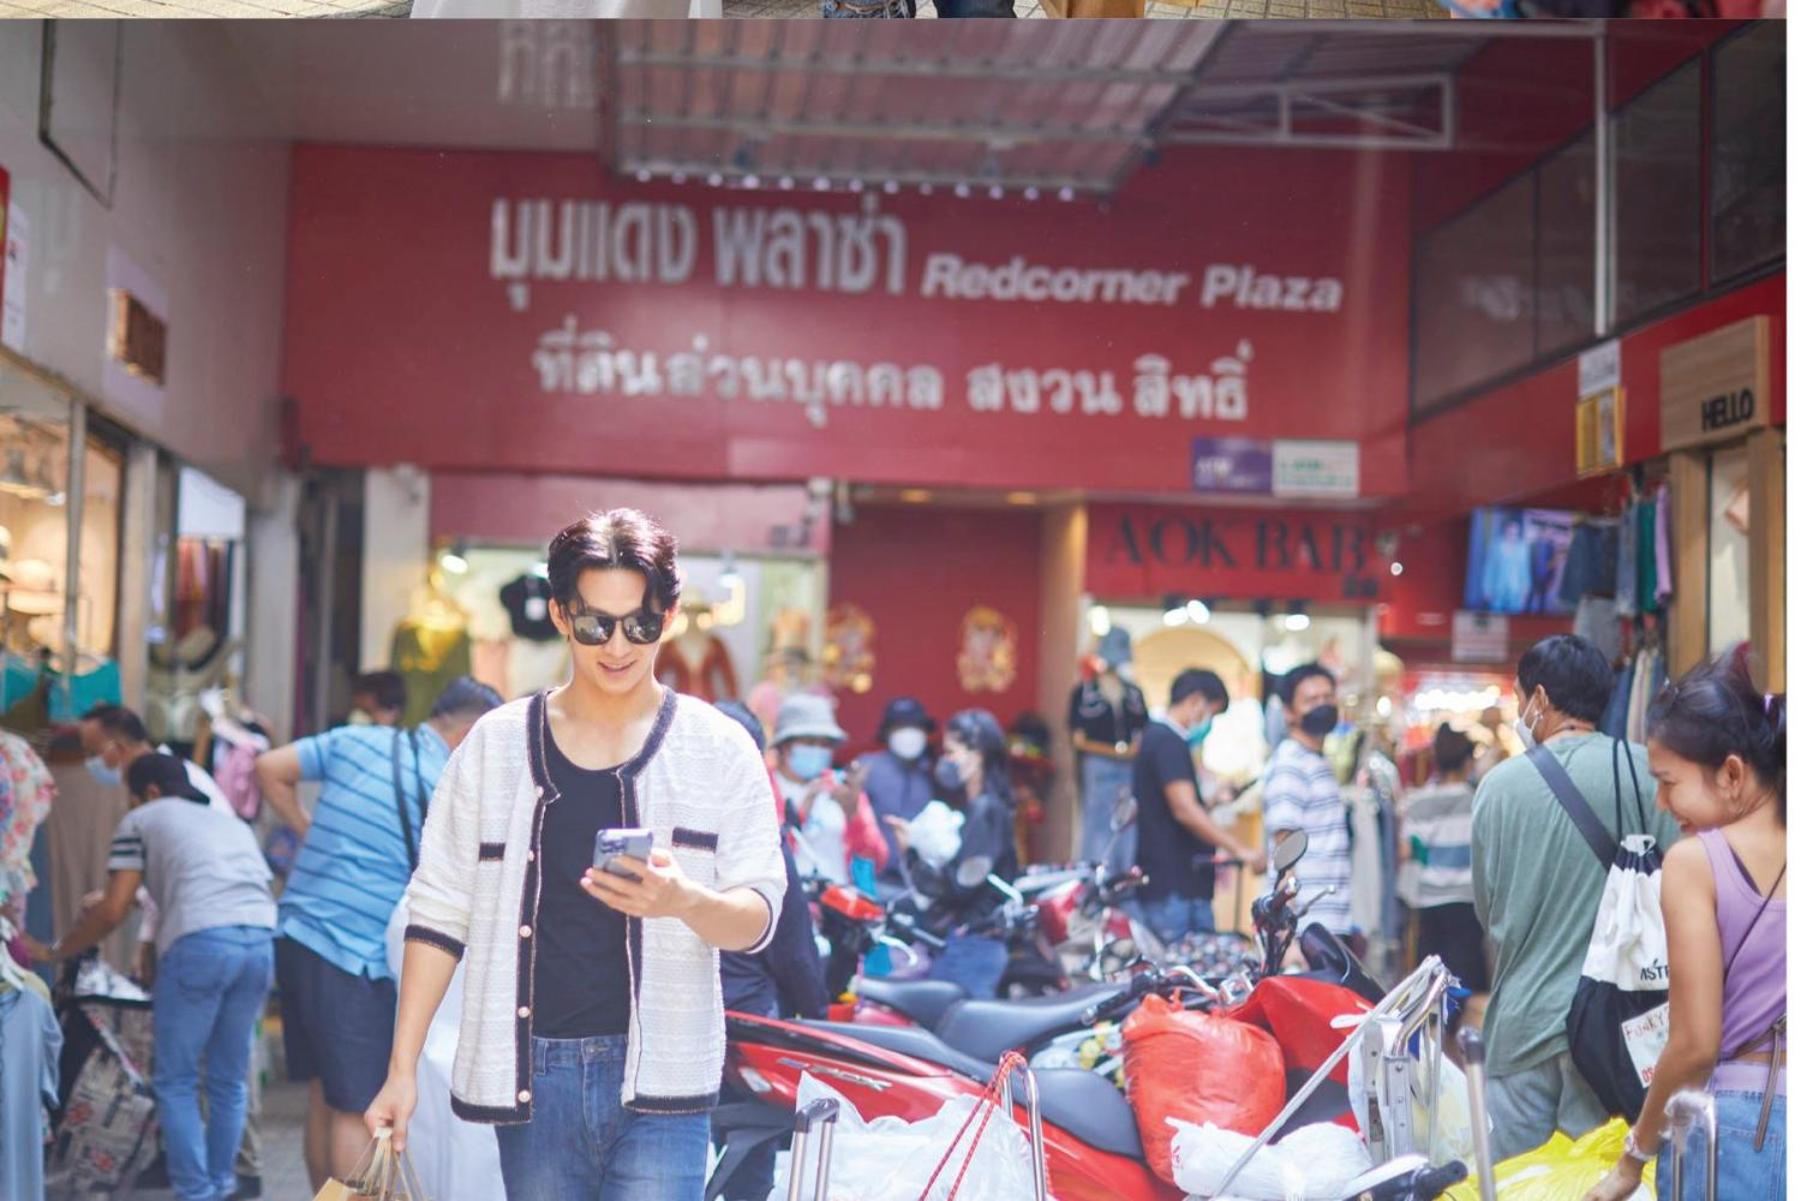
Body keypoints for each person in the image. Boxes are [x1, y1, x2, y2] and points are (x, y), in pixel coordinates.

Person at [364, 509, 786, 1201]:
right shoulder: (494, 747)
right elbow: (437, 908)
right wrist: (401, 1068)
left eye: (639, 624)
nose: (618, 646)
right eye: (595, 624)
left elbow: (759, 915)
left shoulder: (719, 750)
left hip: (665, 1078)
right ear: (560, 614)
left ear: (668, 616)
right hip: (534, 1078)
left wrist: (684, 901)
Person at [255, 676, 503, 1191]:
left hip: (297, 934)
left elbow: (269, 767)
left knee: (324, 1094)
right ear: (470, 733)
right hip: (353, 952)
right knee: (359, 1104)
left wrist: (306, 829)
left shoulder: (356, 738)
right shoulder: (446, 781)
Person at [26, 754, 275, 1201]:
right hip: (259, 943)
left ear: (151, 792)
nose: (129, 804)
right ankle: (222, 1184)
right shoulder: (229, 823)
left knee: (176, 1079)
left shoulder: (143, 818)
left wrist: (55, 950)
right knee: (227, 1079)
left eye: (131, 795)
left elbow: (113, 909)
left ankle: (195, 1192)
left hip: (200, 943)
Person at [1585, 654, 1786, 1201]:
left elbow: (1695, 1044)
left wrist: (1633, 1160)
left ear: (1732, 774)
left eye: (1667, 781)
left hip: (1741, 1133)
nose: (1661, 801)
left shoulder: (1696, 861)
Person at [1472, 635, 1679, 1161]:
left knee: (1516, 1186)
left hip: (1522, 1024)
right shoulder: (1647, 774)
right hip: (1620, 1031)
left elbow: (1488, 912)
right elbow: (1679, 892)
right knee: (1604, 1181)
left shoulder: (1498, 788)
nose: (1520, 711)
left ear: (1540, 698)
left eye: (1520, 698)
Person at [711, 699, 828, 1201]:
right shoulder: (760, 838)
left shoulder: (662, 831)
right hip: (745, 1028)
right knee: (748, 1165)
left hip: (672, 1025)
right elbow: (794, 951)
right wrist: (816, 1019)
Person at [887, 709, 1019, 999]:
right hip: (967, 943)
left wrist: (911, 852)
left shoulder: (986, 811)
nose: (944, 761)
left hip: (972, 947)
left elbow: (958, 886)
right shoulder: (976, 808)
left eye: (951, 752)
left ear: (978, 755)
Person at [1131, 669, 1266, 947]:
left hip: (1176, 886)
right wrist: (1241, 849)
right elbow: (1184, 810)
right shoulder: (1167, 742)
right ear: (1195, 701)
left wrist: (1213, 801)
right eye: (1211, 715)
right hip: (1173, 888)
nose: (1209, 725)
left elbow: (1176, 806)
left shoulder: (1159, 738)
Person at [1262, 663, 1355, 940]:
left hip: (1327, 919)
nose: (1322, 705)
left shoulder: (1316, 761)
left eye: (1328, 697)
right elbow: (1285, 851)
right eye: (1311, 700)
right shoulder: (1291, 763)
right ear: (1289, 712)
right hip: (1305, 926)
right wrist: (1286, 930)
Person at [1397, 724, 1489, 1005]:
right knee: (1466, 984)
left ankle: (1438, 1032)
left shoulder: (1419, 801)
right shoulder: (1478, 800)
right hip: (1466, 901)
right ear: (1467, 761)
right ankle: (1461, 1032)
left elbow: (1405, 850)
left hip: (1429, 901)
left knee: (1431, 987)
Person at [770, 693, 888, 886]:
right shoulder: (764, 788)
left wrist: (853, 815)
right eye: (809, 742)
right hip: (786, 899)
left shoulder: (842, 787)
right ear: (784, 747)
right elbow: (765, 858)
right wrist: (800, 815)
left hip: (838, 899)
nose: (818, 750)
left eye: (825, 744)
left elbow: (876, 859)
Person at [1069, 628, 1148, 876]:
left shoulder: (1133, 693)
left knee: (1127, 823)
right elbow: (1078, 739)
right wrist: (1114, 752)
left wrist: (1128, 753)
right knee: (1097, 824)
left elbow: (1143, 731)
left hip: (1128, 767)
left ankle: (1122, 878)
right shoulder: (1084, 692)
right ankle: (1094, 877)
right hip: (1098, 765)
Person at [857, 698, 937, 891]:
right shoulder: (867, 768)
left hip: (919, 882)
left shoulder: (932, 774)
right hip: (875, 880)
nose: (909, 733)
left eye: (915, 727)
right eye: (900, 727)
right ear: (887, 732)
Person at [1483, 517, 1531, 613]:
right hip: (1497, 590)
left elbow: (1525, 570)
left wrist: (1525, 590)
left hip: (1516, 591)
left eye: (1515, 533)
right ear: (1505, 530)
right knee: (1496, 617)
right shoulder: (1496, 546)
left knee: (1515, 616)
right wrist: (1487, 589)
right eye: (1510, 532)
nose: (1513, 535)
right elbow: (1489, 568)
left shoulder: (1522, 548)